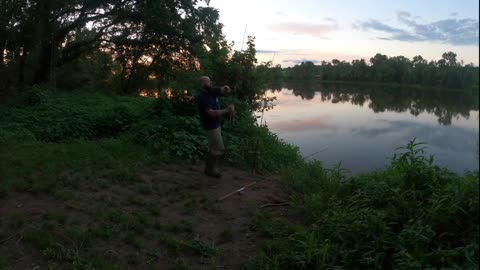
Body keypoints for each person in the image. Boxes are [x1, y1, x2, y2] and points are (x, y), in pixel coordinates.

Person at [197, 76, 235, 178]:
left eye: (208, 81)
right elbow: (211, 113)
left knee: (214, 147)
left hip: (216, 124)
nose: (208, 84)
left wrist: (226, 87)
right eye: (205, 82)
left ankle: (208, 169)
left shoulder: (212, 91)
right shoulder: (203, 97)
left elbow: (222, 90)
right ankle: (211, 170)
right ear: (202, 85)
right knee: (218, 148)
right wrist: (227, 110)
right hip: (211, 126)